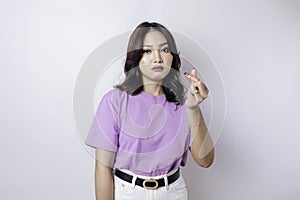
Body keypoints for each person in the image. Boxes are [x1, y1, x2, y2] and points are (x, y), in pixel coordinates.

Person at [85, 21, 215, 200]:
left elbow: (205, 160)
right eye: (147, 51)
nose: (158, 58)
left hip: (173, 193)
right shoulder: (114, 101)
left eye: (164, 50)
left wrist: (193, 109)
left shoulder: (184, 103)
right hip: (128, 193)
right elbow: (103, 168)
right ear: (136, 57)